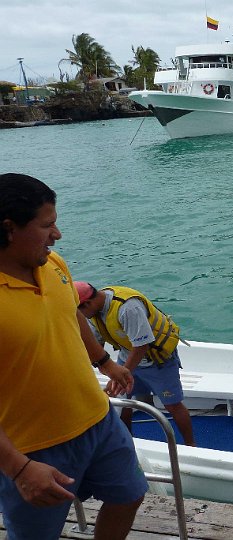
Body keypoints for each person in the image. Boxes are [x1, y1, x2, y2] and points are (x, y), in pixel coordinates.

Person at [0, 173, 147, 540]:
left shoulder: (52, 264)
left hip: (98, 420)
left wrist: (104, 361)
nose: (57, 234)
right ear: (8, 229)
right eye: (47, 225)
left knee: (130, 495)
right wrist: (18, 469)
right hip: (32, 448)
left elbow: (73, 313)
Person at [75, 281, 196, 447]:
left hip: (157, 360)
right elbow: (95, 346)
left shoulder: (128, 308)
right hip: (127, 356)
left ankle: (191, 445)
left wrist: (122, 375)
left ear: (87, 303)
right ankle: (128, 442)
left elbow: (141, 346)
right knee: (124, 401)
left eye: (77, 312)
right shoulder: (93, 313)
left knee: (172, 404)